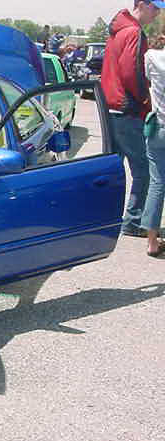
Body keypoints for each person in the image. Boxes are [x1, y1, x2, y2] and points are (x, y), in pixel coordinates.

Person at [101, 1, 164, 238]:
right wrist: (145, 99)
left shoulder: (117, 30)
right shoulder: (133, 32)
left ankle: (105, 217)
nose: (157, 12)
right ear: (142, 4)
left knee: (112, 168)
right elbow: (131, 72)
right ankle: (134, 221)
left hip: (111, 108)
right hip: (128, 110)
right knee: (144, 169)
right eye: (155, 7)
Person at [143, 31, 165, 256]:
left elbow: (145, 77)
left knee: (157, 183)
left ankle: (152, 242)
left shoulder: (151, 57)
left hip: (158, 126)